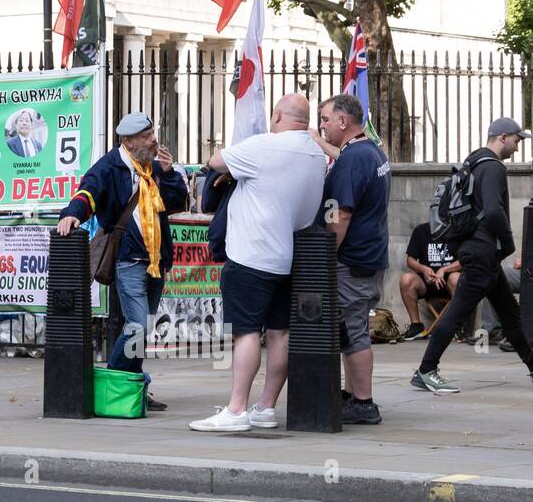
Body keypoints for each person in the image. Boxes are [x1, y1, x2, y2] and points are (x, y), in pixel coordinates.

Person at [191, 95, 327, 431]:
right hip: (288, 256)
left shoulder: (264, 146)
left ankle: (236, 410)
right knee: (280, 333)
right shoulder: (315, 154)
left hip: (251, 255)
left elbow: (216, 160)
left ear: (278, 114)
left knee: (246, 333)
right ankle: (266, 407)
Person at [56, 111, 187, 411]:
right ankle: (114, 383)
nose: (154, 139)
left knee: (142, 328)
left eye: (152, 133)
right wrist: (72, 214)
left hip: (156, 260)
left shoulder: (155, 168)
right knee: (137, 327)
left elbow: (176, 203)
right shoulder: (111, 166)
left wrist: (168, 174)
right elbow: (88, 192)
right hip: (129, 259)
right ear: (128, 141)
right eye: (146, 136)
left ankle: (132, 387)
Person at [412, 118, 533, 392]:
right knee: (456, 314)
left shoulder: (473, 163)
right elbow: (492, 211)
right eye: (517, 139)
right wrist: (508, 242)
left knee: (509, 315)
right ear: (502, 137)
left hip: (476, 250)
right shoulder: (492, 167)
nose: (517, 146)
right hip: (481, 252)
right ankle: (426, 369)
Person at [317, 94, 391, 423]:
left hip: (351, 260)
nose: (322, 124)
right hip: (369, 256)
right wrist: (320, 143)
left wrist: (324, 256)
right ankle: (354, 395)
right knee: (350, 328)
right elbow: (348, 160)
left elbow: (341, 215)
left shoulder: (353, 159)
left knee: (353, 329)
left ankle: (363, 403)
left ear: (343, 122)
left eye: (325, 119)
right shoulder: (369, 150)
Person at [399, 222, 462, 341]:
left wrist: (444, 269)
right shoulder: (421, 230)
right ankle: (416, 327)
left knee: (456, 278)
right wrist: (423, 269)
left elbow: (464, 260)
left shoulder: (458, 229)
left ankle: (456, 325)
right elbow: (410, 260)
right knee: (406, 279)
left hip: (450, 282)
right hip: (427, 282)